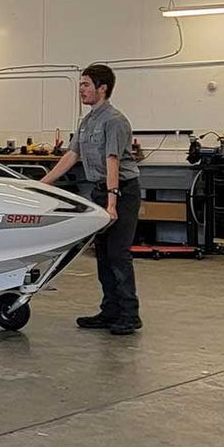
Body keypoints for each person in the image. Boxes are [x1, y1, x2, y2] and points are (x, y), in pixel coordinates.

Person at [39, 63, 142, 334]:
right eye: (80, 85)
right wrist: (41, 184)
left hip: (122, 191)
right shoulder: (87, 122)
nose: (81, 90)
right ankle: (110, 311)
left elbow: (113, 161)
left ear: (102, 88)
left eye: (86, 85)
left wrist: (111, 203)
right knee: (103, 255)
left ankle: (130, 315)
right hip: (99, 190)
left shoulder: (115, 121)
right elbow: (71, 156)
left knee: (118, 254)